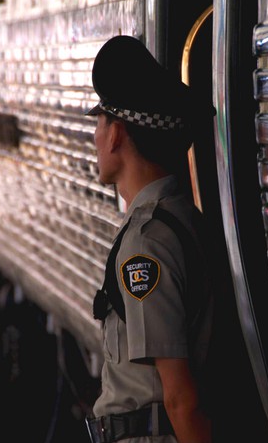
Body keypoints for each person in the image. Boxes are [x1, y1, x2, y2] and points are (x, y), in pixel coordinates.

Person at [85, 35, 214, 443]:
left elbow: (180, 399)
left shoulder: (147, 245)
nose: (95, 137)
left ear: (116, 135)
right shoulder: (181, 218)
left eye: (99, 122)